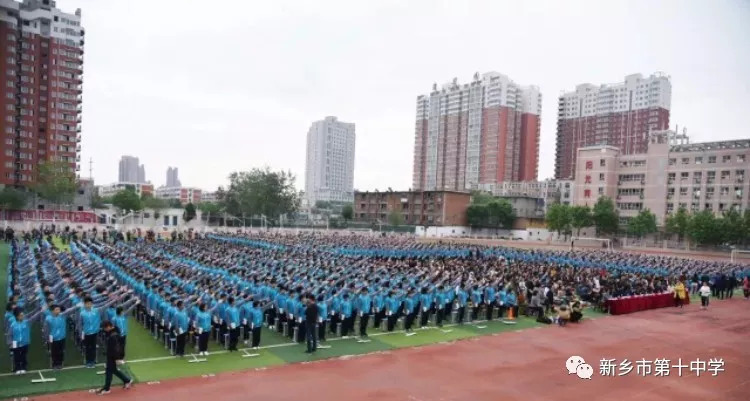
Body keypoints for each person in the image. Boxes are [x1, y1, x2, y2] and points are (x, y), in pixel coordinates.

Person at [96, 321, 133, 395]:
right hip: (111, 355)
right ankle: (127, 380)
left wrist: (117, 358)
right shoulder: (113, 332)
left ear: (109, 327)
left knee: (109, 371)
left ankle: (107, 388)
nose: (104, 330)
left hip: (113, 356)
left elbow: (116, 348)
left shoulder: (113, 336)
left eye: (105, 328)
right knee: (113, 370)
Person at [10, 308, 42, 374]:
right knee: (17, 356)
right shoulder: (13, 324)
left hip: (25, 343)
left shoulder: (27, 322)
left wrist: (41, 311)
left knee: (23, 356)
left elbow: (34, 317)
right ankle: (18, 368)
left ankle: (23, 367)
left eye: (23, 315)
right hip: (16, 343)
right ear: (17, 316)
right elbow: (10, 334)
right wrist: (10, 343)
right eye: (21, 315)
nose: (22, 316)